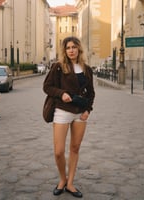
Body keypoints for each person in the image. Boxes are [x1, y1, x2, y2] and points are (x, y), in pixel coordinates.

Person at [43, 36, 95, 198]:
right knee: (59, 151)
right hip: (62, 111)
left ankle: (70, 183)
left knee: (75, 148)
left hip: (80, 113)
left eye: (74, 47)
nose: (71, 50)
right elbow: (47, 87)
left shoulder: (86, 69)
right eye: (68, 48)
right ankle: (62, 179)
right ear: (64, 51)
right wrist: (62, 93)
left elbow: (91, 93)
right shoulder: (58, 67)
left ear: (79, 49)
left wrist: (88, 110)